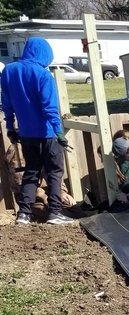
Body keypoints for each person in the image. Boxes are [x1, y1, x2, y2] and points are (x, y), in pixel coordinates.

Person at [0, 36, 74, 226]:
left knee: (31, 172)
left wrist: (10, 127)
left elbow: (6, 104)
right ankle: (55, 213)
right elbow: (50, 108)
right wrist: (59, 134)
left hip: (25, 134)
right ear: (45, 54)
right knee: (55, 173)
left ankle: (23, 214)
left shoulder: (9, 71)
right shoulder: (43, 75)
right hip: (48, 134)